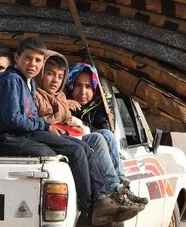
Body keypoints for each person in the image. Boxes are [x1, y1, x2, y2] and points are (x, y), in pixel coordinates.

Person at [0, 37, 138, 227]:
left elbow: (29, 116)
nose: (32, 64)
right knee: (76, 151)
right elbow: (13, 119)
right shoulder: (11, 81)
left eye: (37, 60)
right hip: (9, 137)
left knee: (84, 147)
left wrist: (44, 125)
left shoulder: (29, 83)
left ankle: (101, 203)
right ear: (17, 57)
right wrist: (44, 125)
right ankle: (88, 211)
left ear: (41, 63)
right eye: (28, 58)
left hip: (25, 133)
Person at [35, 53, 147, 208]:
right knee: (99, 138)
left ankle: (121, 185)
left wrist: (80, 127)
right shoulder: (52, 98)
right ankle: (114, 189)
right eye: (78, 85)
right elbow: (44, 119)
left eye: (88, 87)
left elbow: (102, 128)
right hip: (60, 141)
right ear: (70, 85)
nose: (82, 91)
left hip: (75, 139)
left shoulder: (100, 106)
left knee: (106, 134)